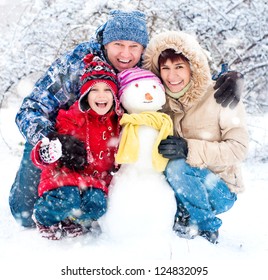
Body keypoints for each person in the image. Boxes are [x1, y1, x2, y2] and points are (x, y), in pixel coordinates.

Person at [9, 9, 242, 228]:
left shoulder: (145, 64)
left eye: (134, 46)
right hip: (69, 139)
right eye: (118, 44)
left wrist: (225, 79)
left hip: (111, 151)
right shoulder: (78, 63)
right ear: (105, 43)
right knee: (24, 214)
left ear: (143, 48)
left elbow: (185, 77)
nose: (125, 54)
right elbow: (30, 108)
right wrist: (53, 139)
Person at [143, 30, 248, 244]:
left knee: (177, 166)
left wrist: (189, 149)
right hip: (181, 189)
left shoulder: (220, 95)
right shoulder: (157, 102)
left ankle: (206, 229)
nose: (172, 77)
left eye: (179, 67)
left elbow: (238, 148)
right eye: (166, 68)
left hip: (219, 188)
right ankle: (180, 217)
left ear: (193, 67)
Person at [30, 55, 123, 240]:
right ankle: (44, 218)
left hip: (94, 180)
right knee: (67, 198)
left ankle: (73, 220)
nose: (101, 95)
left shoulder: (117, 123)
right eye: (94, 89)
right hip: (64, 176)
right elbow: (44, 150)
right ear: (85, 95)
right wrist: (46, 152)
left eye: (107, 90)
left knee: (97, 205)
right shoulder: (71, 118)